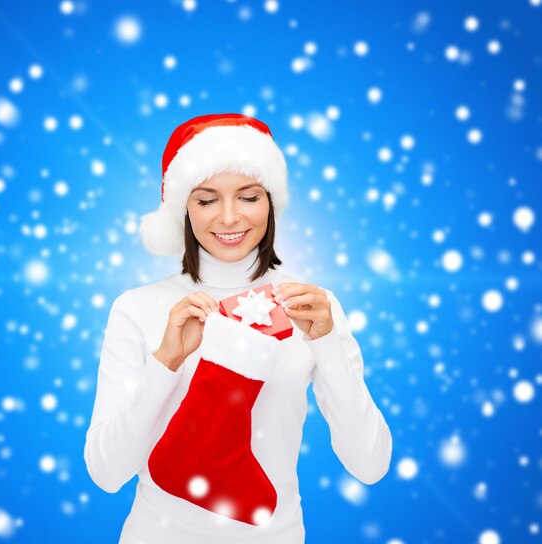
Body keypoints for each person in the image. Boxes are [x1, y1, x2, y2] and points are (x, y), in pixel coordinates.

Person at [84, 113, 393, 544]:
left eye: (248, 196)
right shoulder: (138, 308)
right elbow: (106, 473)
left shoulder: (310, 307)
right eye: (207, 200)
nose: (229, 218)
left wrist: (325, 345)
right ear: (182, 209)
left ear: (271, 201)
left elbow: (370, 463)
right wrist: (166, 362)